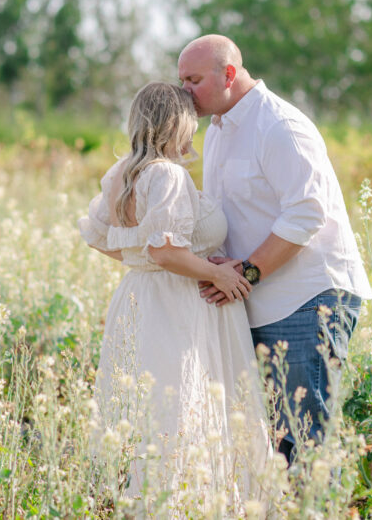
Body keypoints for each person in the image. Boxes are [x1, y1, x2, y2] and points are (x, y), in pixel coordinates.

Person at [178, 34, 372, 464]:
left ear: (228, 74)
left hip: (306, 301)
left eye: (193, 80)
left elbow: (305, 214)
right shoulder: (218, 132)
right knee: (275, 444)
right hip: (256, 300)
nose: (184, 91)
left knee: (309, 440)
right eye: (181, 80)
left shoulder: (279, 125)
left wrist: (245, 274)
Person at [78, 82, 271, 515]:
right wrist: (214, 272)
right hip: (176, 302)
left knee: (154, 406)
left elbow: (99, 236)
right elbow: (166, 250)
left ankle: (155, 503)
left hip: (140, 297)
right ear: (178, 123)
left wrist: (142, 262)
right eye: (192, 123)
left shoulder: (123, 171)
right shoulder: (166, 173)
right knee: (180, 403)